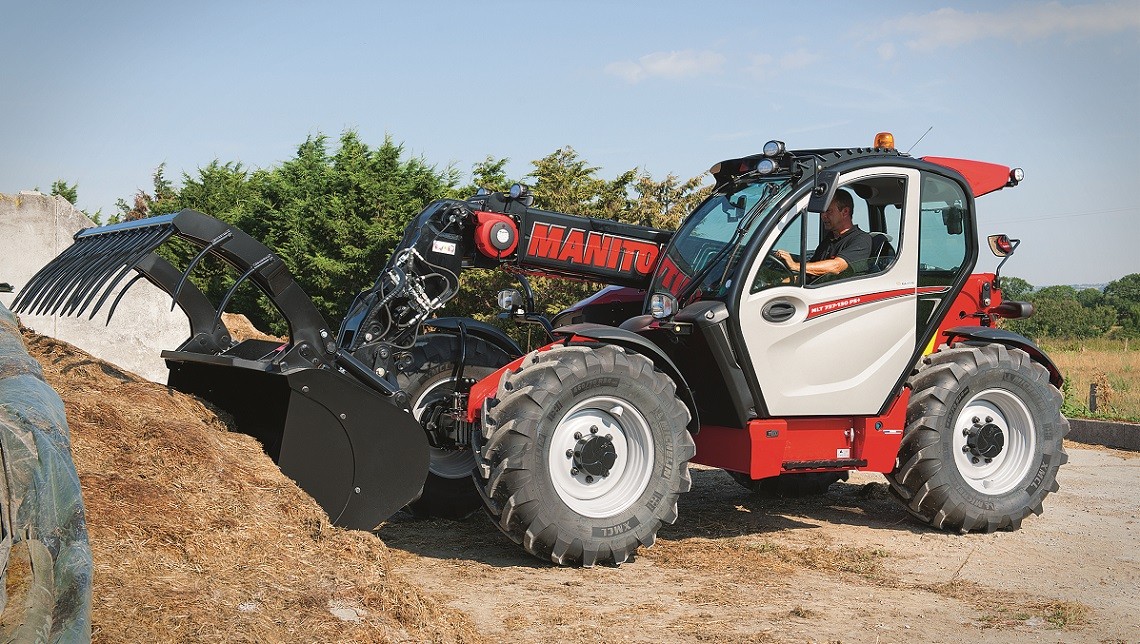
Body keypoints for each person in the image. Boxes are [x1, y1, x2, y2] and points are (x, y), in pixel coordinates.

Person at [774, 189, 871, 279]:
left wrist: (795, 266)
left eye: (828, 211)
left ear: (845, 212)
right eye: (822, 212)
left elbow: (836, 266)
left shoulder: (861, 240)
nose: (823, 216)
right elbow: (810, 273)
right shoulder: (828, 241)